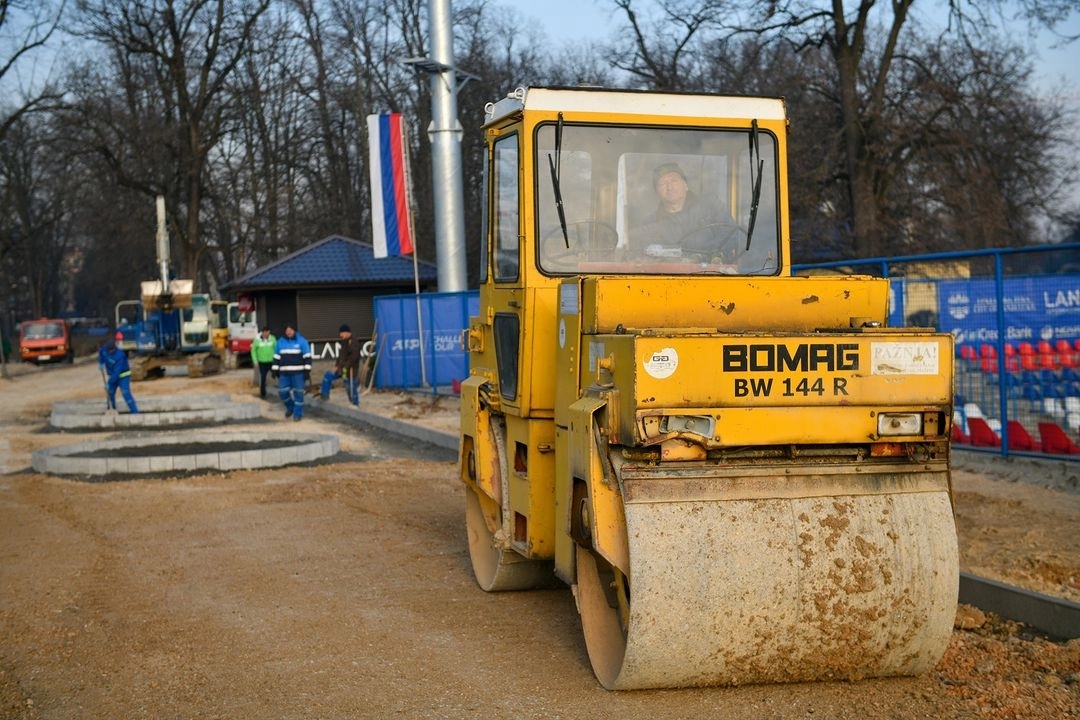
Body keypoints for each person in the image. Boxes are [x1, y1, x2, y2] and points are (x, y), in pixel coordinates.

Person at [630, 162, 739, 262]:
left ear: (686, 185)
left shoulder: (711, 206)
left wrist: (714, 255)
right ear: (657, 193)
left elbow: (731, 232)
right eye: (662, 183)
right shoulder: (650, 224)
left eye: (674, 180)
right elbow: (646, 256)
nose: (669, 187)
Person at [272, 323, 312, 421]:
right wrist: (274, 369)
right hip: (284, 373)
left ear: (294, 330)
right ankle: (291, 407)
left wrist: (307, 371)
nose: (288, 332)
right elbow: (276, 357)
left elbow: (307, 357)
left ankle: (297, 415)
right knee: (282, 392)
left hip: (298, 373)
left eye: (290, 330)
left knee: (298, 394)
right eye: (287, 330)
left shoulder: (302, 341)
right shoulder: (280, 342)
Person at [320, 324, 361, 406]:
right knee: (328, 376)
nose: (340, 335)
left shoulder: (354, 342)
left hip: (350, 370)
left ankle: (355, 404)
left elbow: (353, 357)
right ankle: (324, 396)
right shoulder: (344, 341)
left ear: (347, 332)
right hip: (341, 368)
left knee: (350, 387)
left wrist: (345, 366)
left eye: (341, 333)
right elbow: (340, 356)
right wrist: (337, 365)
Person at [99, 332, 138, 414]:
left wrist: (109, 383)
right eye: (109, 350)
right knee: (110, 392)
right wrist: (101, 362)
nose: (110, 352)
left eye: (112, 350)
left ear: (115, 348)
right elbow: (101, 353)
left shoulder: (120, 355)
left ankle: (135, 412)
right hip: (113, 375)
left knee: (125, 393)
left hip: (123, 376)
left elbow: (116, 372)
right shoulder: (104, 349)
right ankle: (112, 409)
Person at [250, 325, 276, 398]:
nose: (266, 334)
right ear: (262, 332)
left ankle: (281, 389)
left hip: (271, 361)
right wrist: (255, 360)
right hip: (262, 362)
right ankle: (263, 393)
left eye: (267, 332)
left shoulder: (273, 339)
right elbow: (253, 351)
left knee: (277, 375)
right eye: (264, 332)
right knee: (263, 377)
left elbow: (276, 348)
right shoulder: (257, 340)